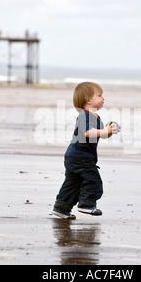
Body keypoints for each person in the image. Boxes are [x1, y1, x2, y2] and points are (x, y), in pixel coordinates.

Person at [52, 82, 121, 220]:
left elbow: (101, 134)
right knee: (93, 180)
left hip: (75, 156)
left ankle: (61, 207)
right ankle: (86, 204)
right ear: (89, 100)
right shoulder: (85, 115)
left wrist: (110, 130)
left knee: (73, 183)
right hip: (81, 157)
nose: (103, 98)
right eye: (99, 95)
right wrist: (104, 130)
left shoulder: (95, 116)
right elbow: (89, 132)